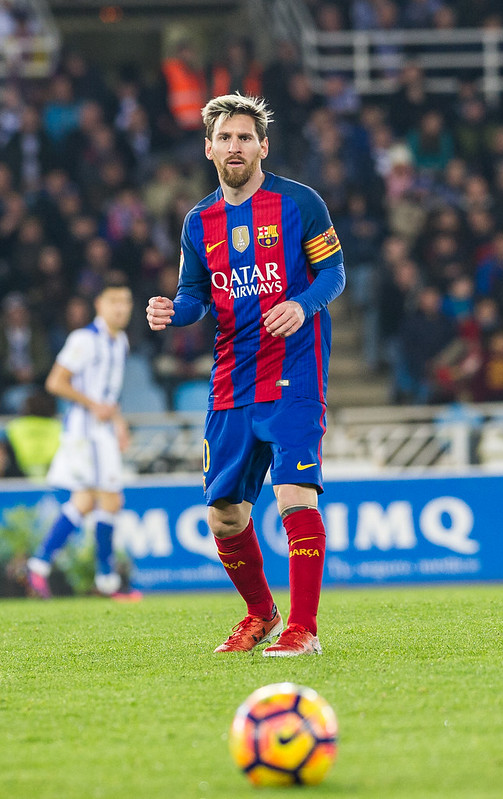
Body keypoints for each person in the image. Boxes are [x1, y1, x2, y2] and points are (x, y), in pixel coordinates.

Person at [146, 93, 345, 657]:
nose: (235, 146)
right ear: (209, 148)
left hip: (294, 375)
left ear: (263, 145)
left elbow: (334, 274)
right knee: (225, 514)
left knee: (293, 495)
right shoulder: (198, 221)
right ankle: (260, 615)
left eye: (245, 137)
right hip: (232, 381)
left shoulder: (301, 203)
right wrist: (171, 311)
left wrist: (303, 304)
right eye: (225, 138)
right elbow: (194, 296)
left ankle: (302, 630)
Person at [27, 271, 140, 600]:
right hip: (84, 431)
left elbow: (109, 396)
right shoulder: (83, 339)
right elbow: (55, 382)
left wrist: (117, 423)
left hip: (102, 431)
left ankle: (42, 567)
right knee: (99, 499)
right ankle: (98, 581)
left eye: (126, 302)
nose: (121, 308)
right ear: (99, 305)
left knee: (98, 501)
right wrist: (95, 406)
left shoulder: (120, 342)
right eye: (114, 301)